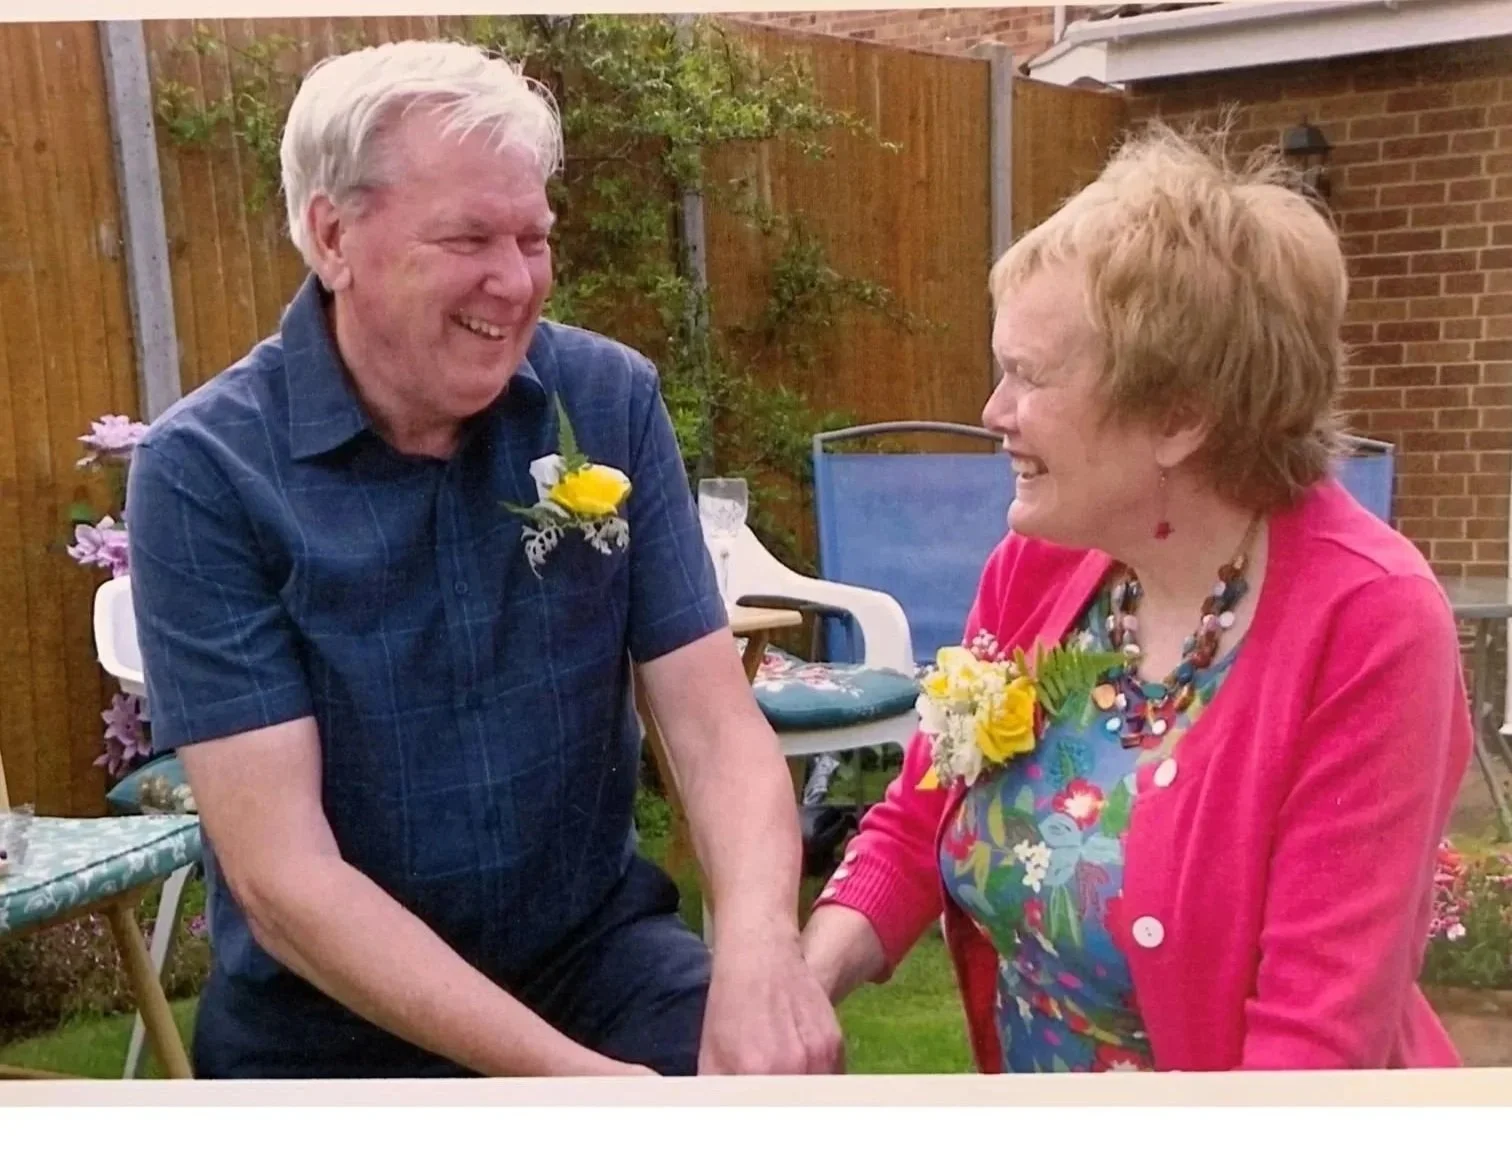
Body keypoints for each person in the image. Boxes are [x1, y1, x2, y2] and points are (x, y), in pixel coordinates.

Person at [125, 39, 841, 1080]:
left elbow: (714, 731)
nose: (514, 282)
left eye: (534, 237)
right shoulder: (208, 472)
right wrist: (575, 1087)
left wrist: (758, 951)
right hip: (331, 1022)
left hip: (595, 962)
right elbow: (284, 880)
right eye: (468, 237)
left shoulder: (605, 399)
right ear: (333, 235)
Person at [798, 121, 1472, 1072]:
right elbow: (918, 814)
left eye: (1028, 376)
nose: (993, 412)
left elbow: (1311, 1050)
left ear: (1179, 416)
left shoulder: (1370, 625)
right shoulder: (1041, 564)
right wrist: (800, 979)